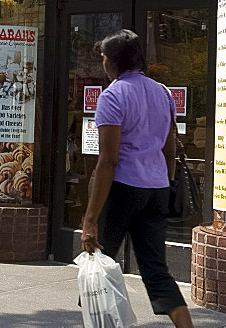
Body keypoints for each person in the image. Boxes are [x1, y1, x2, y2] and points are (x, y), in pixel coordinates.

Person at [81, 29, 193, 328]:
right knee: (157, 271)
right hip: (156, 189)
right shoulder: (163, 93)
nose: (102, 63)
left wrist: (90, 219)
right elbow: (169, 152)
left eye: (104, 57)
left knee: (98, 270)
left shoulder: (112, 96)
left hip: (121, 190)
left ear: (112, 61)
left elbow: (108, 160)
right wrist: (163, 184)